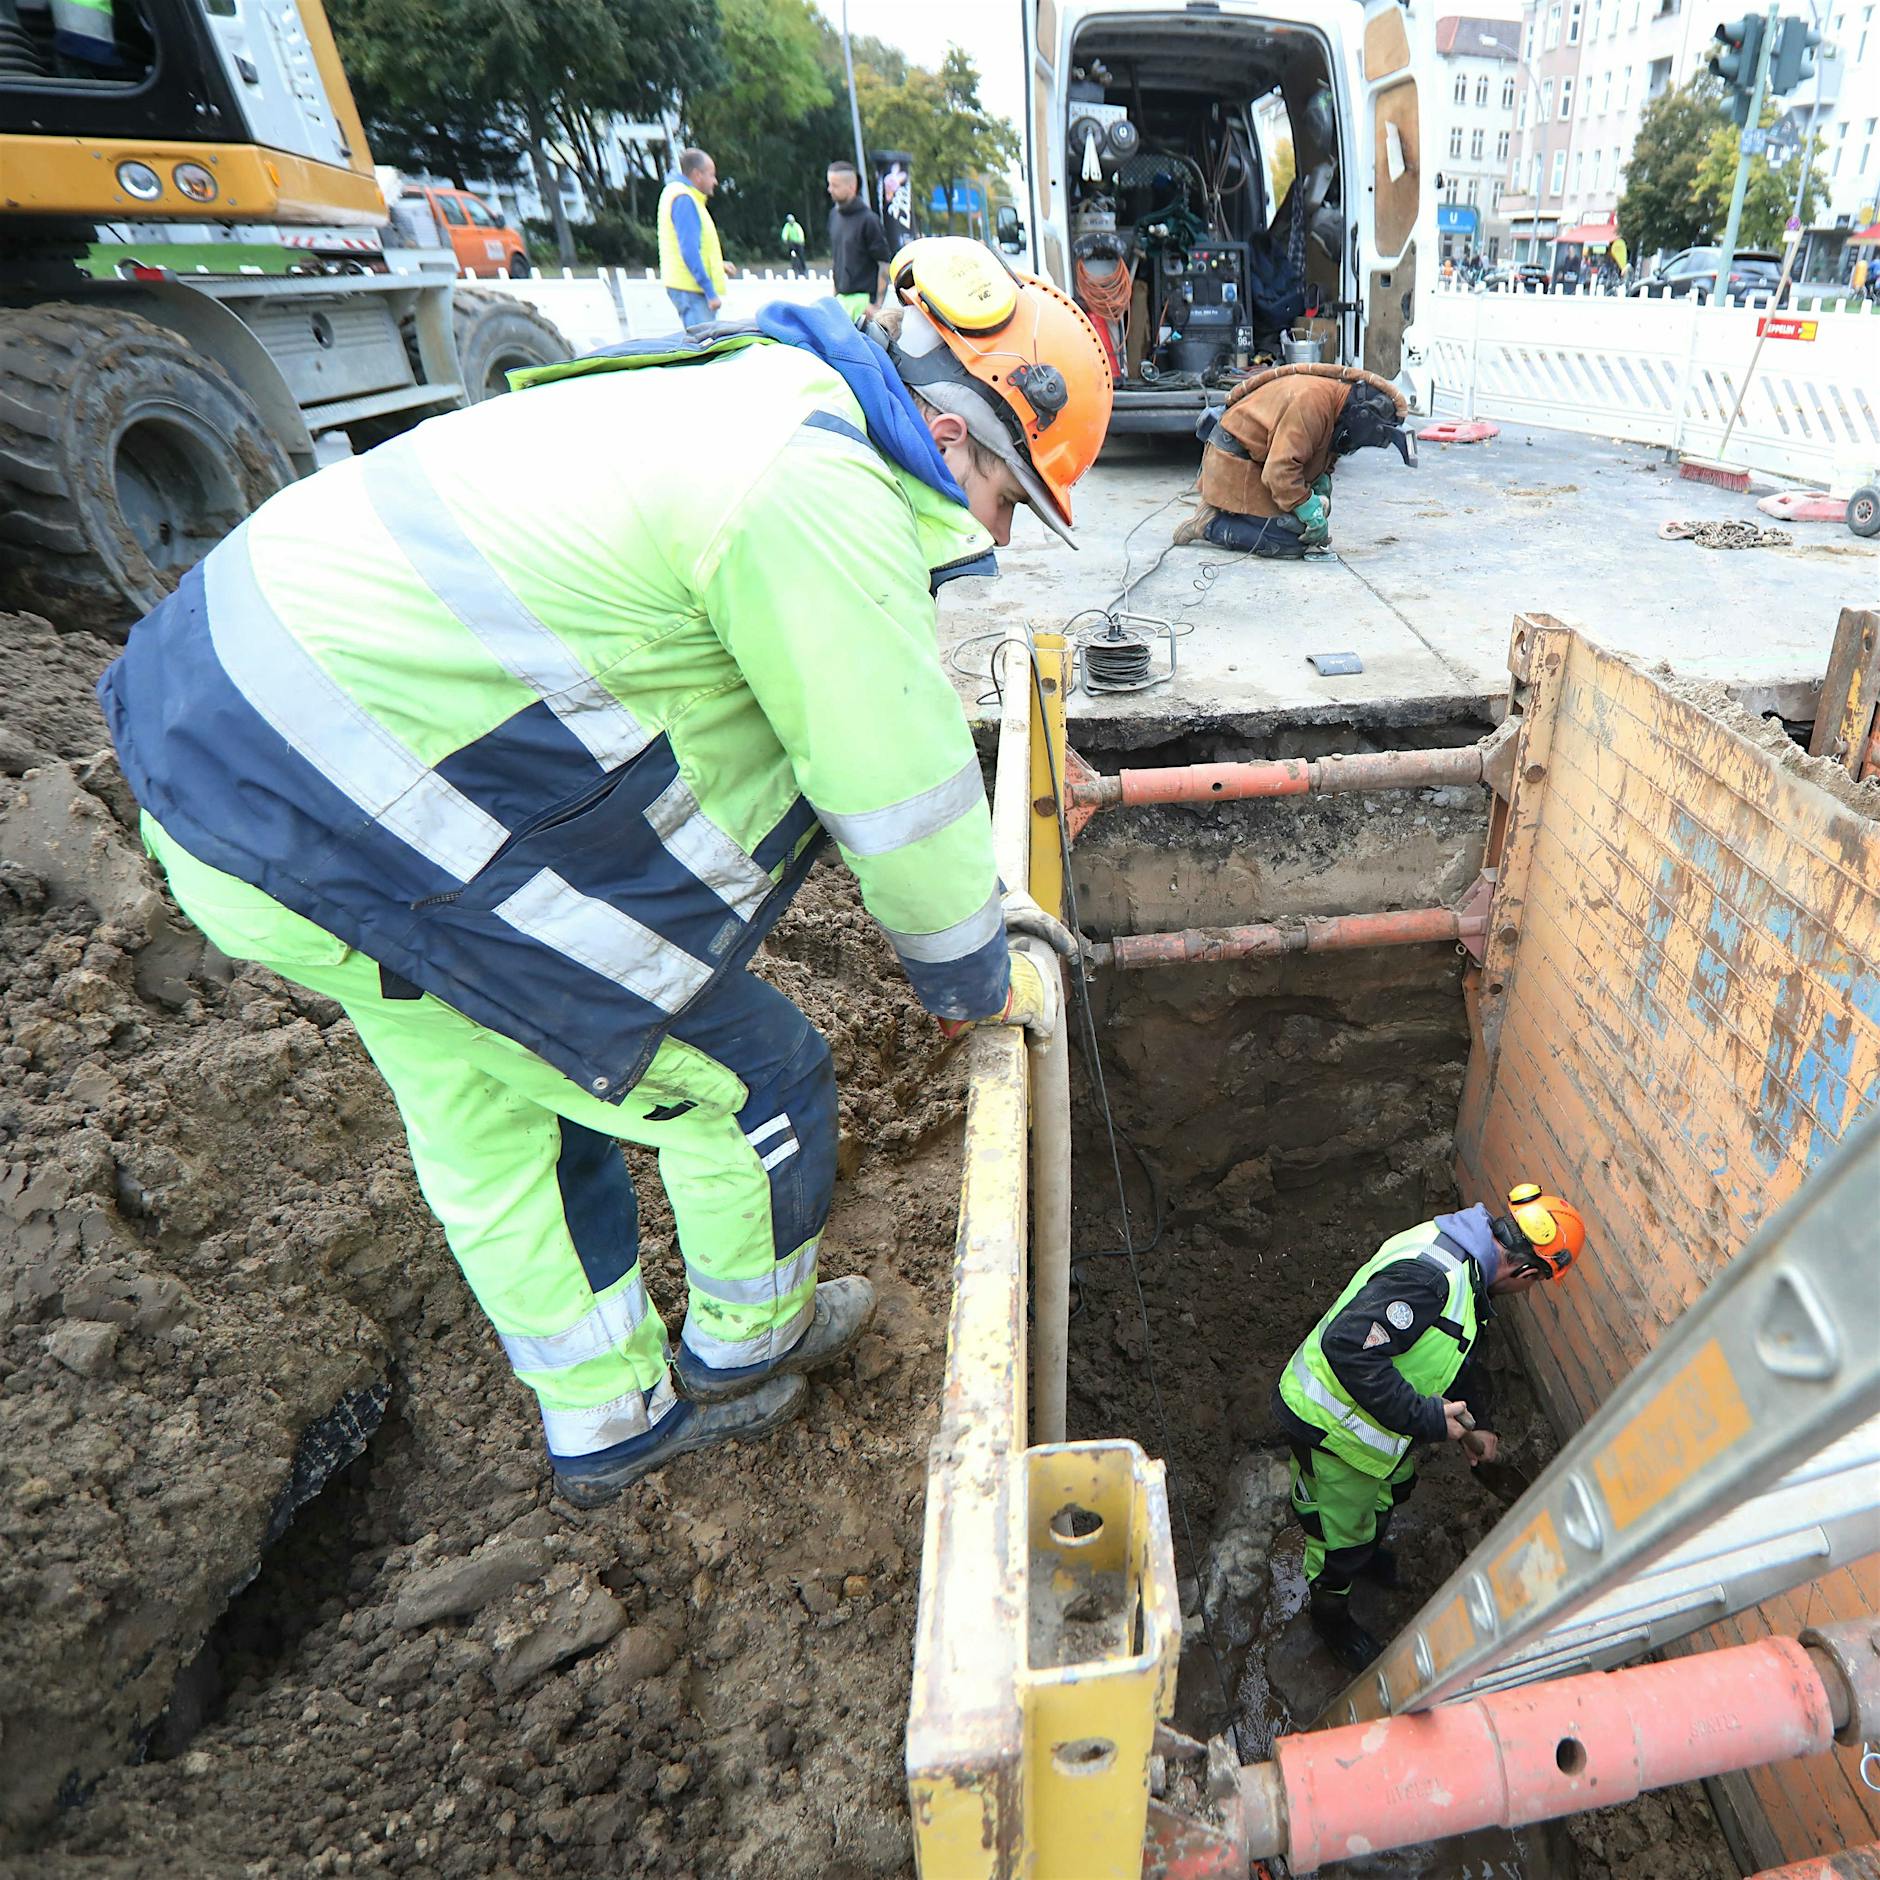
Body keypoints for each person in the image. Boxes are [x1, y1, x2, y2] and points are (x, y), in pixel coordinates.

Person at [96, 239, 1112, 1512]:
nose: (991, 534)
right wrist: (967, 965)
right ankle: (747, 1357)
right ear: (960, 435)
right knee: (756, 1080)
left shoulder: (741, 397)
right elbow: (888, 772)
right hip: (342, 806)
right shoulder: (814, 481)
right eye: (1011, 500)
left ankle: (605, 1419)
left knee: (489, 1114)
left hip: (224, 772)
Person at [1274, 1184, 1588, 1673]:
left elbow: (1455, 1347)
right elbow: (1347, 1348)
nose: (1529, 1291)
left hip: (1378, 1426)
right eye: (1536, 1284)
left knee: (1396, 1489)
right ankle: (1330, 1612)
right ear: (1527, 1271)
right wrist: (1428, 1419)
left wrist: (1478, 1424)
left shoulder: (1468, 1261)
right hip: (1331, 1423)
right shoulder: (1432, 1278)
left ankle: (1366, 1553)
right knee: (1341, 1540)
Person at [1176, 363, 1416, 559]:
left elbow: (1323, 449)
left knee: (1295, 523)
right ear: (1362, 417)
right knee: (1286, 539)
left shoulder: (1337, 405)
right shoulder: (1312, 402)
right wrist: (1307, 507)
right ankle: (1209, 524)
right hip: (1235, 463)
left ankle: (1231, 513)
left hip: (1258, 462)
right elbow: (1279, 471)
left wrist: (1321, 487)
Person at [659, 146, 729, 327]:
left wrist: (718, 266)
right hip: (691, 289)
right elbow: (689, 250)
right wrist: (710, 292)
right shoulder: (684, 199)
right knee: (704, 345)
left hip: (688, 285)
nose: (715, 181)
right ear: (698, 175)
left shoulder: (682, 195)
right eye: (711, 175)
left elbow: (690, 245)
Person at [827, 159, 895, 319]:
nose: (830, 189)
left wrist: (876, 305)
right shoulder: (833, 216)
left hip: (863, 303)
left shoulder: (869, 220)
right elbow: (837, 260)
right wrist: (835, 298)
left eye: (835, 185)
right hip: (841, 301)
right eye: (829, 184)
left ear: (852, 187)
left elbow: (884, 263)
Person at [781, 211, 806, 276]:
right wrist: (785, 239)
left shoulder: (797, 225)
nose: (791, 222)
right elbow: (785, 233)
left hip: (799, 243)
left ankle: (803, 269)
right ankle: (794, 268)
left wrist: (801, 240)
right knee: (793, 255)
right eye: (790, 221)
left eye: (792, 220)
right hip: (792, 243)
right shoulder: (787, 226)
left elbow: (800, 233)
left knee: (801, 255)